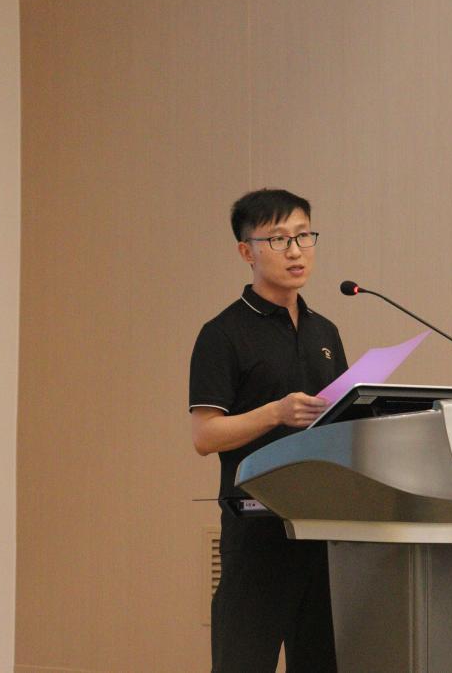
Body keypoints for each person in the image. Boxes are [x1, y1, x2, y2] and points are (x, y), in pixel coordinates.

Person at [189, 188, 347, 673]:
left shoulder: (325, 331)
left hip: (322, 526)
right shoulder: (223, 333)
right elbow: (205, 436)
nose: (295, 251)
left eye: (303, 236)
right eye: (278, 239)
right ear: (247, 251)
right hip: (257, 529)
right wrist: (275, 412)